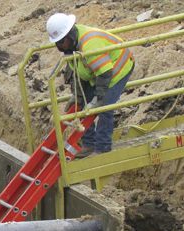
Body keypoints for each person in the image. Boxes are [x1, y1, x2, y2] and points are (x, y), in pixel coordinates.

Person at [46, 13, 135, 157]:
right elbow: (78, 72)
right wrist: (78, 96)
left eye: (61, 42)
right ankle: (89, 144)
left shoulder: (89, 44)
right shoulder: (71, 47)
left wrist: (99, 99)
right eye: (57, 43)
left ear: (69, 35)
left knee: (105, 106)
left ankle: (102, 148)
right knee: (83, 104)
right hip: (97, 72)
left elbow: (105, 73)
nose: (59, 46)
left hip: (118, 68)